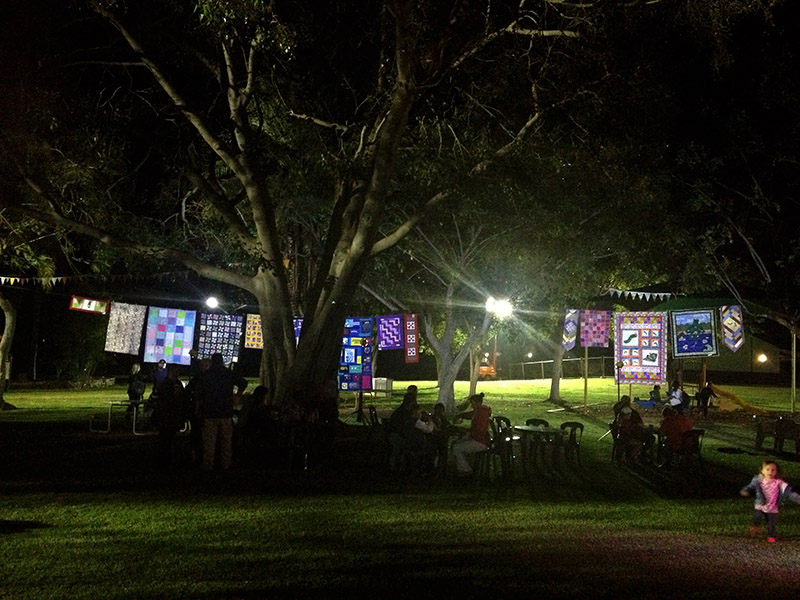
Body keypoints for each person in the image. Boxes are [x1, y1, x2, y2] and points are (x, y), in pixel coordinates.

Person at [193, 353, 248, 471]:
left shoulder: (206, 375)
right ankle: (226, 465)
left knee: (209, 442)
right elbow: (243, 383)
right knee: (226, 441)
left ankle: (208, 464)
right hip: (226, 412)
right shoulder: (228, 374)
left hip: (210, 412)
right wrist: (237, 396)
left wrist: (198, 409)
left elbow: (198, 395)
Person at [740, 460, 800, 542]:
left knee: (771, 524)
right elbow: (750, 487)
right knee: (757, 517)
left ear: (776, 472)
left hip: (772, 508)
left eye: (773, 470)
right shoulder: (758, 481)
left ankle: (771, 536)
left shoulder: (779, 483)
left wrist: (797, 499)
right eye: (767, 469)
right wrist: (745, 491)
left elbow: (788, 492)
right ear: (762, 470)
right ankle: (755, 527)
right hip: (761, 505)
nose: (770, 472)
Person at [151, 365, 186, 470]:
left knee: (168, 439)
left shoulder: (174, 384)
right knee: (165, 440)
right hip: (167, 416)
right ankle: (164, 461)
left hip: (171, 417)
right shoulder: (167, 385)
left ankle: (166, 460)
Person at [452, 393, 492, 478]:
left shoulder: (481, 413)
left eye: (473, 404)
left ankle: (466, 470)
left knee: (457, 447)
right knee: (457, 443)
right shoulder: (479, 411)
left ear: (477, 403)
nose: (472, 406)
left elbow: (479, 429)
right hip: (478, 438)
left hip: (480, 441)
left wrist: (466, 430)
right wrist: (460, 415)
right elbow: (469, 415)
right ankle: (462, 470)